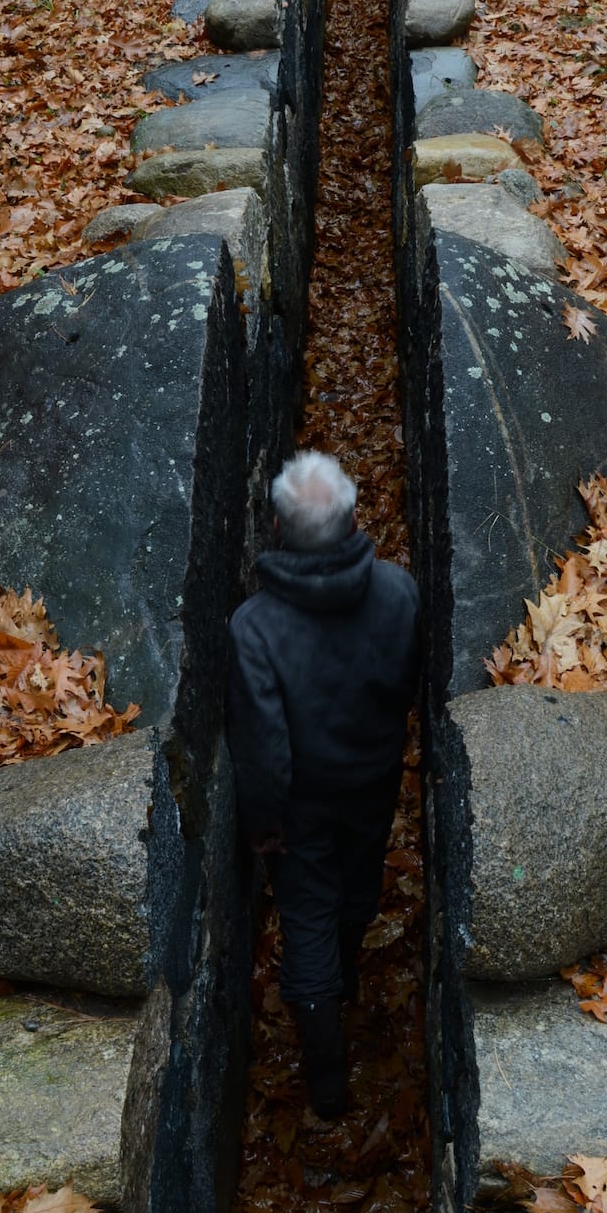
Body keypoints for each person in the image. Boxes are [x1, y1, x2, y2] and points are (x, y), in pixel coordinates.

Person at [226, 452, 420, 1120]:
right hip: (374, 776)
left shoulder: (255, 628)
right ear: (354, 519)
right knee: (359, 878)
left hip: (303, 801)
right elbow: (409, 684)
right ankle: (350, 967)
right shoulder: (399, 592)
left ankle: (329, 1079)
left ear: (277, 531)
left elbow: (262, 744)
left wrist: (261, 822)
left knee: (305, 912)